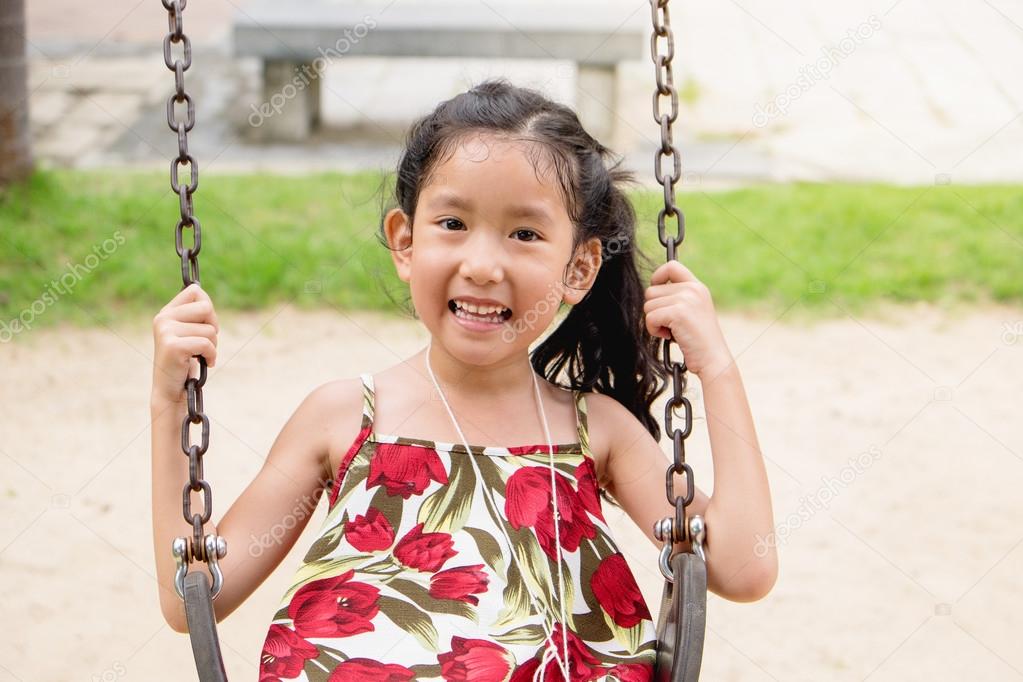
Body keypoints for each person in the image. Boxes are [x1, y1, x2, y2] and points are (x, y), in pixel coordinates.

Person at [150, 78, 776, 682]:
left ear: (579, 267)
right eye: (452, 224)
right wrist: (168, 402)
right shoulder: (341, 418)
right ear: (405, 242)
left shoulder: (593, 431)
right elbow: (194, 600)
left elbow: (743, 570)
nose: (481, 265)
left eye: (525, 234)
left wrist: (716, 368)